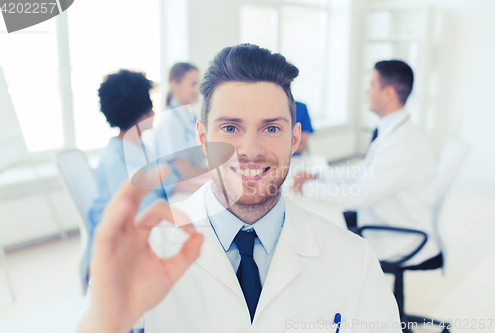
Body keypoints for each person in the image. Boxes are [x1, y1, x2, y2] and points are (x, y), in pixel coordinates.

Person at [78, 45, 400, 333]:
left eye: (271, 128)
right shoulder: (145, 252)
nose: (250, 149)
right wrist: (107, 323)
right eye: (230, 128)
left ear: (295, 138)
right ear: (203, 138)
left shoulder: (354, 260)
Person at [294, 60, 440, 266]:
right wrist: (320, 176)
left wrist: (308, 187)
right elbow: (365, 170)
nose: (367, 92)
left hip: (395, 236)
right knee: (321, 221)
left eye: (372, 85)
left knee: (319, 245)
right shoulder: (395, 130)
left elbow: (358, 196)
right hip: (381, 217)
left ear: (388, 93)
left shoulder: (402, 144)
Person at [87, 70, 177, 284]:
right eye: (151, 105)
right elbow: (142, 210)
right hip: (122, 249)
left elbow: (162, 187)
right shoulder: (116, 159)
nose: (155, 110)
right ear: (142, 113)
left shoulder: (140, 146)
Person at [152, 62, 208, 182]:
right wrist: (216, 172)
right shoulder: (170, 120)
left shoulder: (190, 117)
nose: (199, 89)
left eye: (200, 84)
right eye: (193, 84)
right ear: (174, 85)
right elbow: (185, 171)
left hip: (195, 182)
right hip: (179, 189)